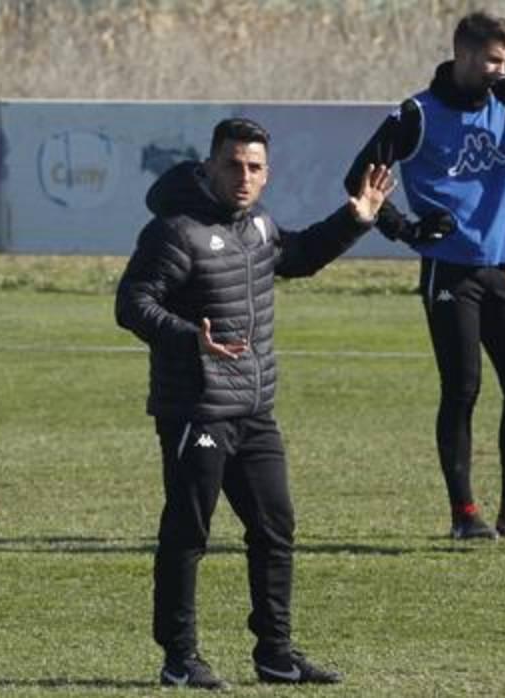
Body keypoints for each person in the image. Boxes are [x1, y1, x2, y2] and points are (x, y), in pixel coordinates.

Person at [116, 117, 395, 688]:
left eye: (255, 167)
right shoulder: (176, 231)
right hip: (197, 409)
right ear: (209, 165)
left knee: (275, 527)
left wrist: (355, 219)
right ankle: (180, 658)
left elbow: (295, 256)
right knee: (189, 532)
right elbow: (132, 304)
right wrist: (190, 336)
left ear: (267, 175)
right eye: (233, 165)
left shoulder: (258, 226)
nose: (244, 177)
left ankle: (275, 653)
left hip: (254, 407)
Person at [343, 10, 505, 540]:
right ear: (462, 53)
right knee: (463, 388)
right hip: (451, 272)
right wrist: (405, 229)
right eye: (492, 59)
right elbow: (359, 176)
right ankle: (464, 515)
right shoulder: (416, 114)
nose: (499, 69)